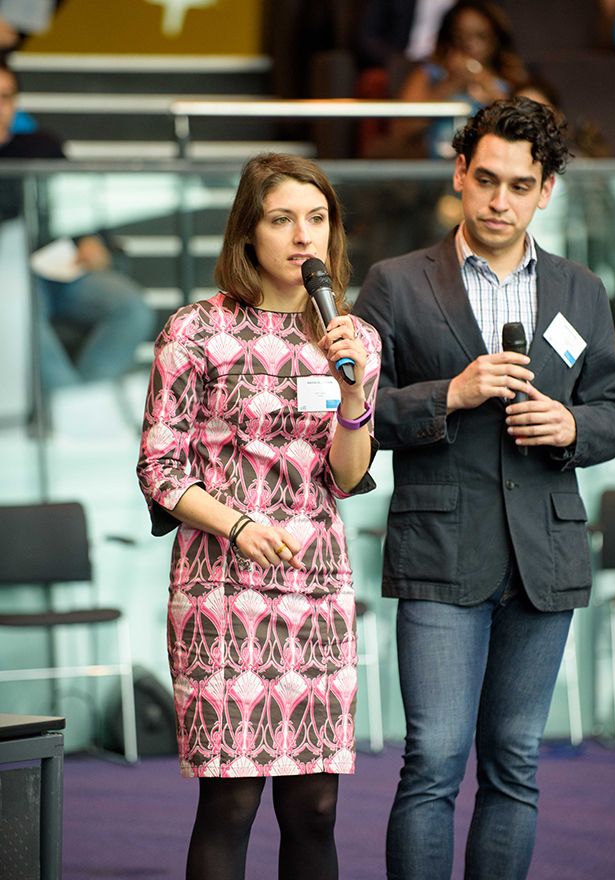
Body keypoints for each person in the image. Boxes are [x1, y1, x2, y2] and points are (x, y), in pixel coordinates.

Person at [352, 97, 615, 880]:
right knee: (434, 761)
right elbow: (358, 416)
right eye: (486, 180)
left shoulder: (582, 291)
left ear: (546, 191)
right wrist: (452, 393)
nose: (499, 200)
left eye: (520, 184)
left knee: (514, 764)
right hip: (441, 550)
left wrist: (574, 429)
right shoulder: (395, 283)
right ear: (459, 176)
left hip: (545, 555)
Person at [136, 152, 381, 880]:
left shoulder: (353, 338)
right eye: (282, 219)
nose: (302, 236)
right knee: (232, 805)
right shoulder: (195, 330)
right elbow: (161, 468)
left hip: (317, 585)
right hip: (221, 587)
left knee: (316, 809)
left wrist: (354, 392)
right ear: (249, 232)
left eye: (316, 219)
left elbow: (349, 474)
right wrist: (239, 524)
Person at [0, 60, 153, 392]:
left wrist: (91, 239)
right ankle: (72, 409)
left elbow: (78, 204)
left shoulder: (41, 146)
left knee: (132, 308)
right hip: (8, 274)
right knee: (19, 314)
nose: (1, 107)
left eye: (7, 97)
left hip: (59, 265)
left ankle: (82, 402)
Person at [366, 0, 527, 159]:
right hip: (434, 168)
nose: (470, 45)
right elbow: (401, 130)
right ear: (449, 38)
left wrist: (487, 86)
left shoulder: (511, 77)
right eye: (461, 36)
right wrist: (450, 85)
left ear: (496, 39)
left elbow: (524, 130)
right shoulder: (429, 74)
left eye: (481, 36)